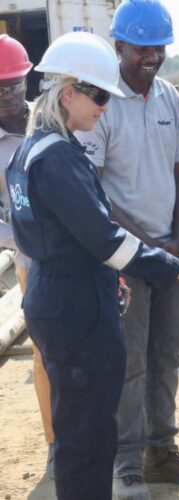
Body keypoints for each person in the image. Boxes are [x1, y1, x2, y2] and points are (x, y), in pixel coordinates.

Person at [5, 31, 179, 500]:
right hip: (77, 306)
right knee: (89, 435)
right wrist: (176, 267)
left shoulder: (28, 151)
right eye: (99, 95)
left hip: (54, 296)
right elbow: (105, 239)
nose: (106, 106)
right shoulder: (60, 158)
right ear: (68, 93)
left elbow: (34, 233)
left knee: (77, 424)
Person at [76, 1, 179, 497]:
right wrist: (149, 247)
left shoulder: (170, 97)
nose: (152, 56)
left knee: (167, 356)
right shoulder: (100, 102)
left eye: (159, 47)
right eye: (142, 47)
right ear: (119, 47)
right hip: (126, 260)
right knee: (131, 361)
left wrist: (176, 244)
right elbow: (94, 191)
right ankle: (128, 462)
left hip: (170, 257)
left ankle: (162, 450)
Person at [0, 34, 56, 477]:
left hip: (82, 253)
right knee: (46, 353)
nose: (6, 95)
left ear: (27, 80)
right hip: (32, 262)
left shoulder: (52, 119)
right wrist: (26, 236)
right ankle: (57, 442)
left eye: (13, 85)